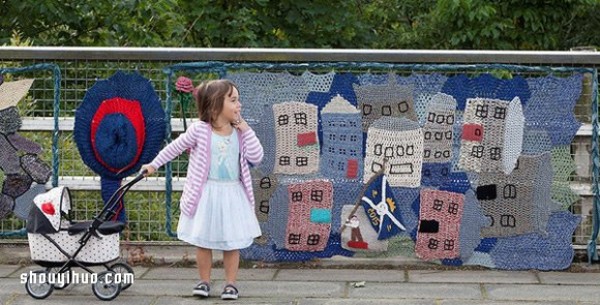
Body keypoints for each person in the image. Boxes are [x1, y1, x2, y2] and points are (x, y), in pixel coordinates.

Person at [141, 79, 263, 300]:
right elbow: (174, 148)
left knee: (231, 241)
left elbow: (257, 156)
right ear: (216, 105)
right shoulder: (199, 130)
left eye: (238, 100)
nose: (239, 105)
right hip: (205, 194)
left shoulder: (240, 133)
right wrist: (153, 165)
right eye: (233, 100)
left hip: (232, 194)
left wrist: (246, 129)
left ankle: (231, 284)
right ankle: (204, 281)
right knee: (203, 240)